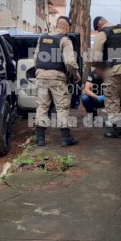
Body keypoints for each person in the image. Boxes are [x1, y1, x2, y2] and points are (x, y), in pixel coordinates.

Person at [34, 16, 81, 147]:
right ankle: (66, 138)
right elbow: (70, 62)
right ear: (66, 27)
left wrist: (39, 72)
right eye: (69, 28)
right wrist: (76, 75)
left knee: (42, 106)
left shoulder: (42, 38)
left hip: (41, 76)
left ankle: (40, 138)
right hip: (57, 77)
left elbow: (36, 57)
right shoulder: (65, 40)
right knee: (62, 106)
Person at [90, 16, 121, 138]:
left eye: (97, 29)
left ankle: (117, 130)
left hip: (114, 70)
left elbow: (96, 56)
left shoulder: (103, 33)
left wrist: (97, 67)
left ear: (98, 26)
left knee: (112, 99)